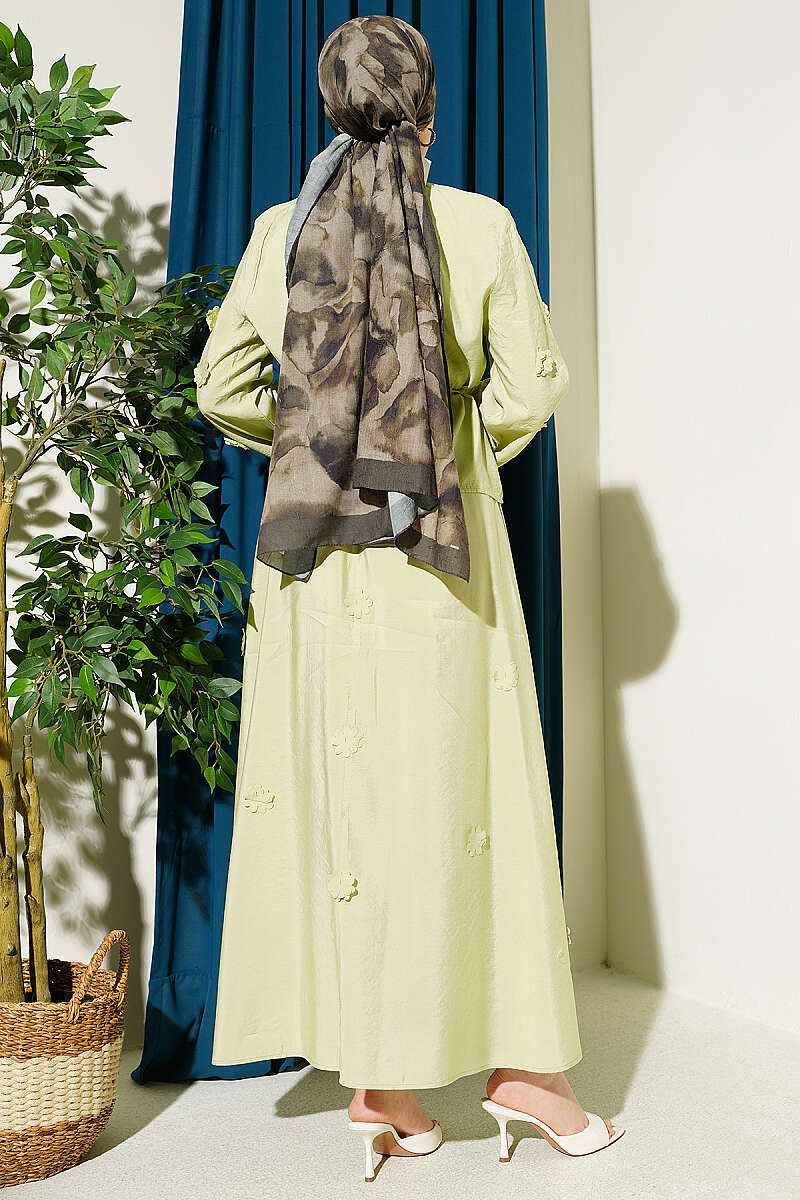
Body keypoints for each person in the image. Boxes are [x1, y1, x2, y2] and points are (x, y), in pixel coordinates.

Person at [194, 13, 624, 1183]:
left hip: (310, 571)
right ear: (427, 105)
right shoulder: (477, 226)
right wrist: (440, 451)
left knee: (351, 812)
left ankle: (379, 1086)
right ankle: (522, 1077)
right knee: (464, 806)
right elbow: (528, 389)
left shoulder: (283, 231)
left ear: (330, 107)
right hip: (439, 556)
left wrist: (316, 442)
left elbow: (221, 385)